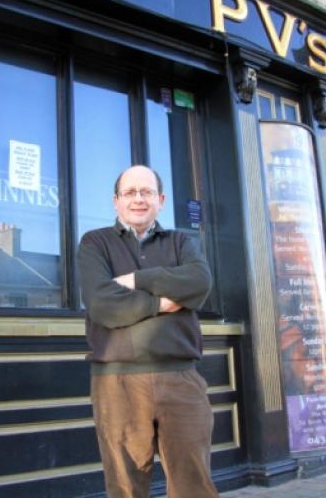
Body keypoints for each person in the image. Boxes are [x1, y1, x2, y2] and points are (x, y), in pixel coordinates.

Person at [77, 165, 218, 498]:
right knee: (126, 488)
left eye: (146, 192)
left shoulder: (181, 242)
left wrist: (136, 280)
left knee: (194, 486)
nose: (138, 199)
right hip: (117, 382)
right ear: (116, 201)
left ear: (161, 200)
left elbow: (200, 282)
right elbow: (102, 304)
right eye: (130, 192)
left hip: (181, 379)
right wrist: (163, 303)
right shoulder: (95, 242)